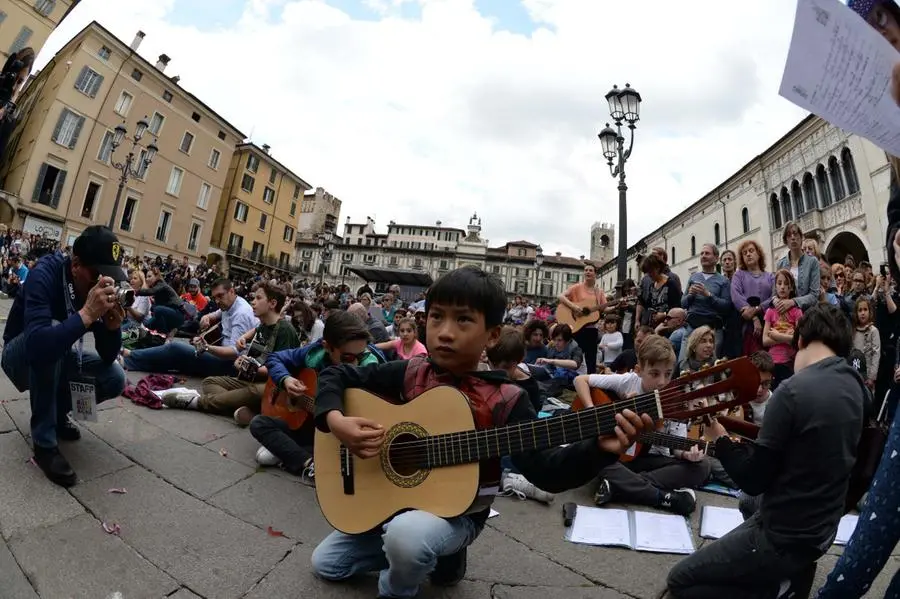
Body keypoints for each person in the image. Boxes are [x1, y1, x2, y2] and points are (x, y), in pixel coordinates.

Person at [308, 266, 654, 599]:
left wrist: (598, 450)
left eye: (463, 319)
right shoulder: (410, 372)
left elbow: (546, 471)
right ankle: (426, 556)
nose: (445, 331)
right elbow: (335, 376)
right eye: (436, 316)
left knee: (406, 537)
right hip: (393, 506)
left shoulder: (507, 399)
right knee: (326, 563)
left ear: (492, 335)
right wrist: (336, 420)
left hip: (459, 516)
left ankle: (400, 586)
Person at [666, 304, 866, 599]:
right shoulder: (859, 388)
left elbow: (753, 478)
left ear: (799, 341)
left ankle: (776, 590)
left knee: (680, 581)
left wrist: (720, 440)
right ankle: (785, 575)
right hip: (822, 531)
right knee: (749, 504)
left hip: (780, 536)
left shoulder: (792, 391)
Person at [1, 226, 127, 487]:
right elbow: (37, 345)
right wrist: (86, 315)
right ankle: (44, 443)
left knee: (115, 377)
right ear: (76, 265)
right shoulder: (44, 274)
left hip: (58, 353)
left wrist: (112, 330)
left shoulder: (93, 287)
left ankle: (57, 413)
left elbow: (107, 355)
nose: (102, 282)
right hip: (19, 355)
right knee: (53, 338)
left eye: (109, 276)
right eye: (97, 274)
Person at [252, 311, 386, 478]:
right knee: (258, 423)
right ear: (327, 346)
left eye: (362, 354)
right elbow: (275, 358)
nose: (356, 362)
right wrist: (285, 379)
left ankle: (293, 455)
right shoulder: (314, 352)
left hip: (333, 437)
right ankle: (308, 462)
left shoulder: (372, 366)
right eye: (348, 356)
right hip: (308, 428)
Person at [162, 281, 299, 426]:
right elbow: (255, 332)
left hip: (272, 387)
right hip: (250, 379)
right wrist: (244, 341)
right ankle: (247, 411)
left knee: (254, 391)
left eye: (258, 298)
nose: (253, 302)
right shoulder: (263, 325)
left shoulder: (285, 330)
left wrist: (250, 367)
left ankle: (196, 402)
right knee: (209, 382)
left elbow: (281, 370)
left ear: (272, 303)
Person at [122, 279, 258, 377]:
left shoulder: (241, 314)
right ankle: (130, 361)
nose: (217, 301)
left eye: (220, 296)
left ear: (232, 291)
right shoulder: (229, 304)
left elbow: (234, 353)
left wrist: (207, 348)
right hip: (219, 353)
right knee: (176, 358)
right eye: (215, 297)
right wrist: (208, 317)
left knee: (176, 348)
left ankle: (130, 356)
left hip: (228, 365)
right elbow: (217, 313)